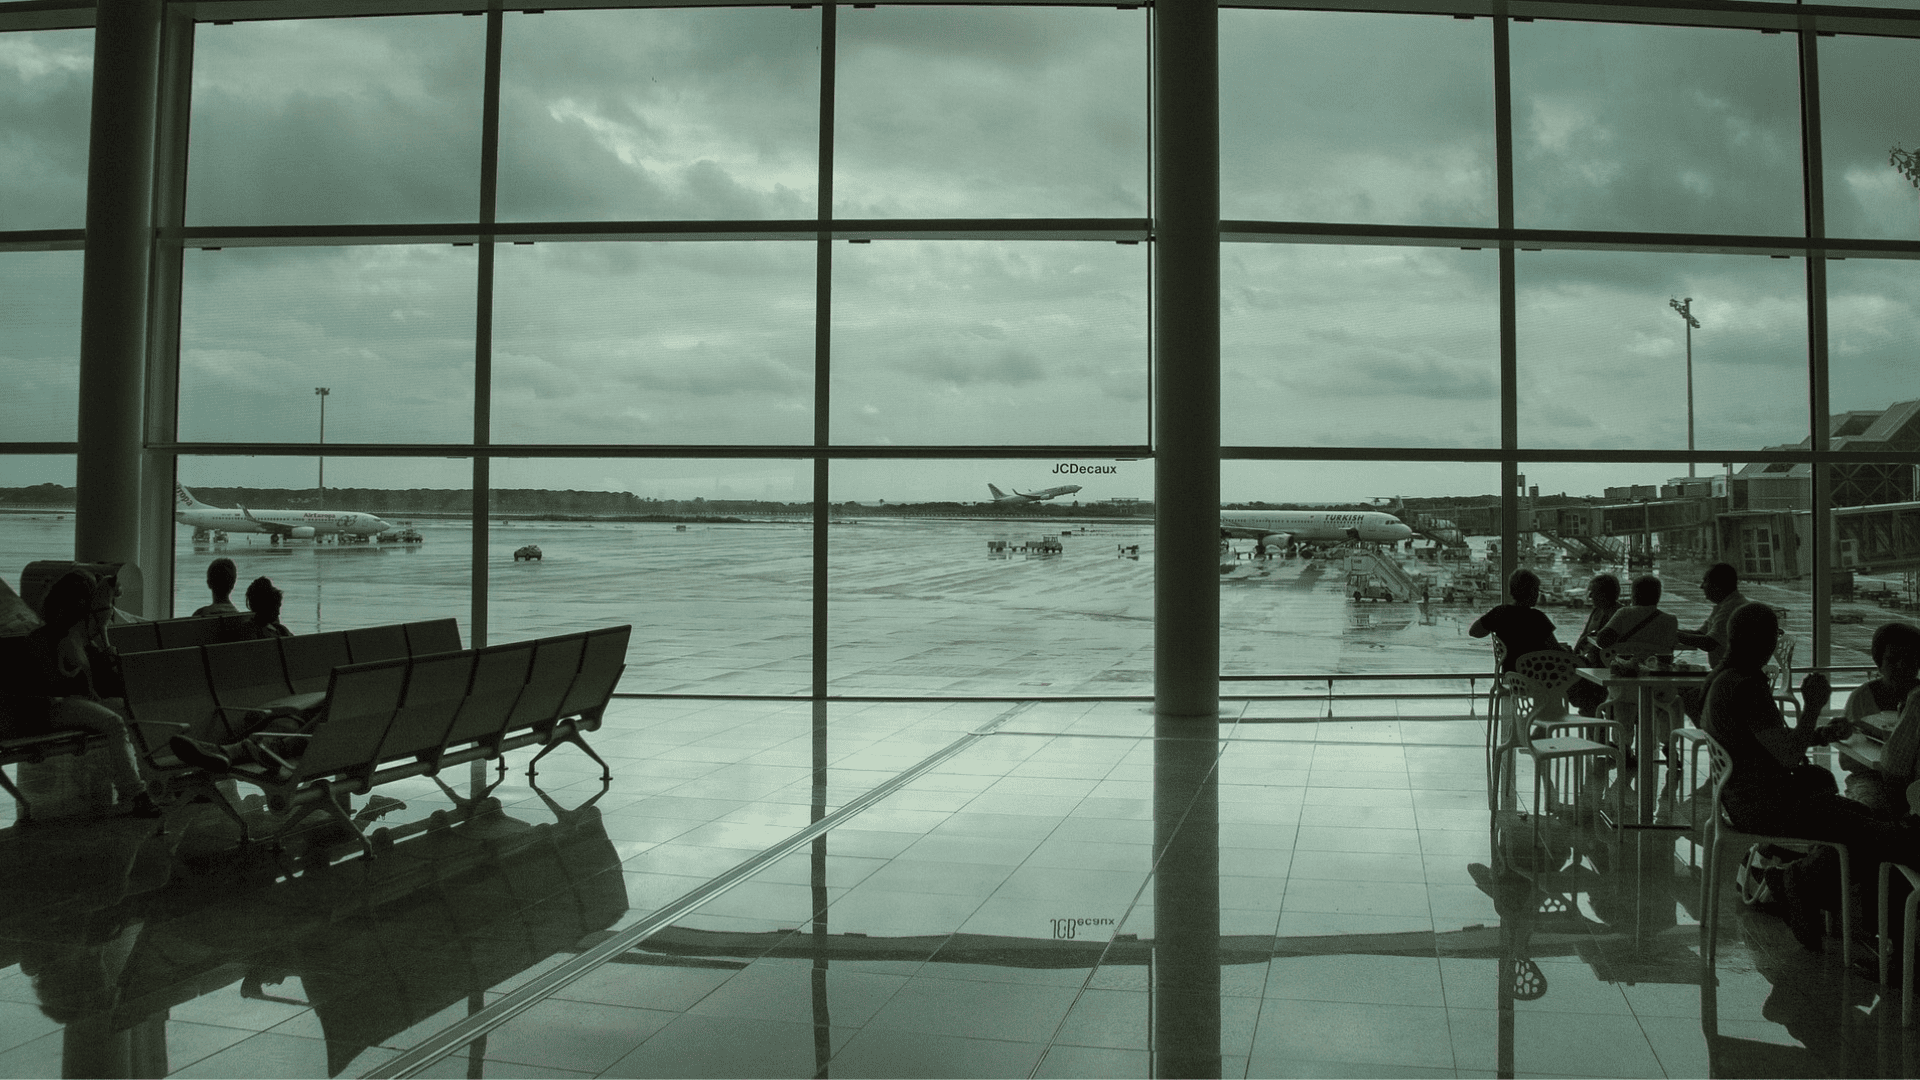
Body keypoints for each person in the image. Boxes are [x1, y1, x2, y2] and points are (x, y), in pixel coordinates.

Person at [1700, 602, 1917, 951]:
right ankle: (1797, 884)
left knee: (1873, 823)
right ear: (1764, 639)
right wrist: (1813, 704)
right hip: (1769, 804)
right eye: (1775, 634)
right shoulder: (1746, 686)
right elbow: (1787, 755)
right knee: (1880, 835)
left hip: (1748, 799)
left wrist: (1819, 734)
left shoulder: (1722, 680)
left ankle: (1798, 884)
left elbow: (1772, 744)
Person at [0, 571, 161, 817]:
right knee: (114, 723)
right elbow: (50, 687)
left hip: (67, 704)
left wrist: (108, 664)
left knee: (134, 712)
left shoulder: (68, 638)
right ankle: (135, 791)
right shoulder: (46, 640)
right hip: (51, 708)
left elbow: (101, 685)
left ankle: (153, 780)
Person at [1837, 622, 1920, 816]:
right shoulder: (1862, 697)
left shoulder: (1917, 700)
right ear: (1879, 663)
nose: (1901, 666)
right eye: (1893, 660)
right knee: (1871, 810)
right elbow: (1846, 761)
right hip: (1870, 778)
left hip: (1914, 781)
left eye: (1909, 660)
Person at [1468, 569, 1561, 673]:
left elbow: (1474, 631)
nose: (1538, 594)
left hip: (1511, 675)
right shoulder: (1538, 617)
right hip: (1538, 677)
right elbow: (1555, 650)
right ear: (1528, 591)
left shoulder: (1499, 613)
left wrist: (1494, 627)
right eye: (1536, 590)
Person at [1566, 574, 1621, 716]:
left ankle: (1590, 711)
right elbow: (1584, 635)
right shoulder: (1597, 611)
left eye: (1593, 592)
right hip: (1592, 664)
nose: (1590, 596)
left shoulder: (1618, 614)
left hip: (1604, 667)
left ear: (1605, 593)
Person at [1594, 575, 1680, 664]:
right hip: (1656, 670)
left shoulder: (1624, 613)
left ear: (1634, 595)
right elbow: (1669, 649)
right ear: (1658, 596)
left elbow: (1602, 640)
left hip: (1624, 669)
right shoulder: (1671, 621)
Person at [1677, 562, 1747, 669]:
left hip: (1734, 675)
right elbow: (1700, 633)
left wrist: (1673, 634)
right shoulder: (1723, 606)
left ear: (1718, 584)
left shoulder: (1733, 609)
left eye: (1705, 581)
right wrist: (1670, 629)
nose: (1701, 586)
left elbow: (1709, 643)